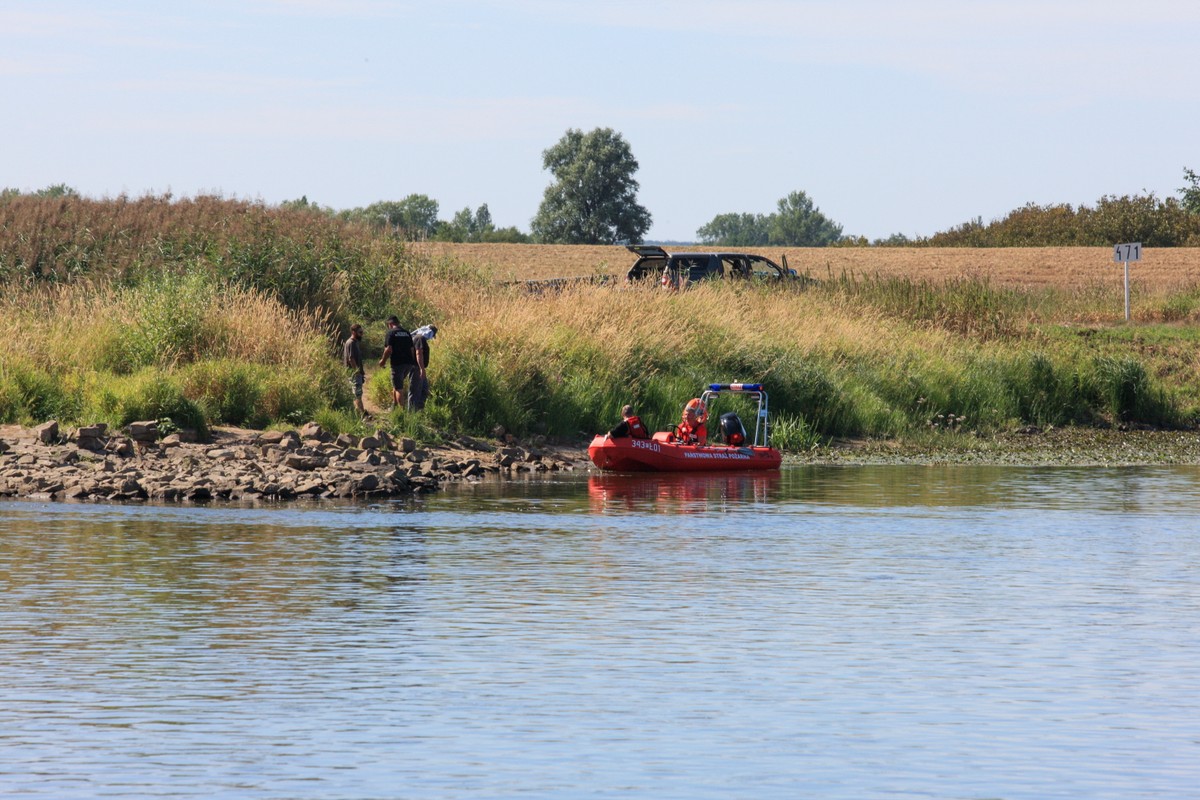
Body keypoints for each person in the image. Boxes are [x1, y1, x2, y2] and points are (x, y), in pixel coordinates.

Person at [378, 316, 418, 410]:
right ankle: (394, 405)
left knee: (399, 387)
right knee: (397, 384)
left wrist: (383, 361)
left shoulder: (391, 333)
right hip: (408, 363)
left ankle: (401, 412)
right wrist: (412, 362)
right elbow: (412, 349)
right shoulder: (407, 333)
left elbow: (388, 349)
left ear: (390, 324)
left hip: (397, 363)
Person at [410, 324, 438, 411]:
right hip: (417, 368)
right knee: (415, 391)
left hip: (418, 368)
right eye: (432, 335)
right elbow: (419, 353)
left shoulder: (420, 338)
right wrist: (422, 369)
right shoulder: (420, 338)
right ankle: (412, 413)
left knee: (424, 390)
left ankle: (419, 409)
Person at [343, 323, 366, 417]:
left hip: (356, 373)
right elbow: (351, 359)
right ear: (353, 332)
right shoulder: (351, 343)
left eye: (362, 332)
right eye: (360, 332)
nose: (362, 334)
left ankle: (360, 413)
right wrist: (357, 372)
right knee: (357, 394)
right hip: (354, 373)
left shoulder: (355, 342)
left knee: (357, 393)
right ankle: (362, 414)